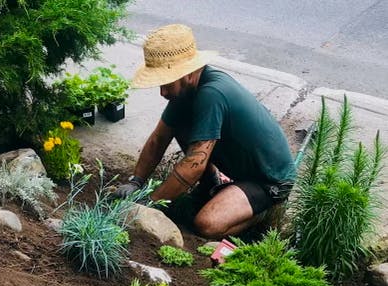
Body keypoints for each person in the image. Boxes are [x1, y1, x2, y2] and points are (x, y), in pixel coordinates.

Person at [113, 24, 296, 238]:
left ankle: (259, 214)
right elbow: (158, 139)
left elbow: (193, 167)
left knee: (206, 224)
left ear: (188, 74)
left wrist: (148, 204)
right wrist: (136, 182)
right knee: (180, 124)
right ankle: (214, 184)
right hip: (241, 168)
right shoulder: (185, 90)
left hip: (268, 180)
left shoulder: (212, 94)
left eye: (166, 84)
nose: (162, 92)